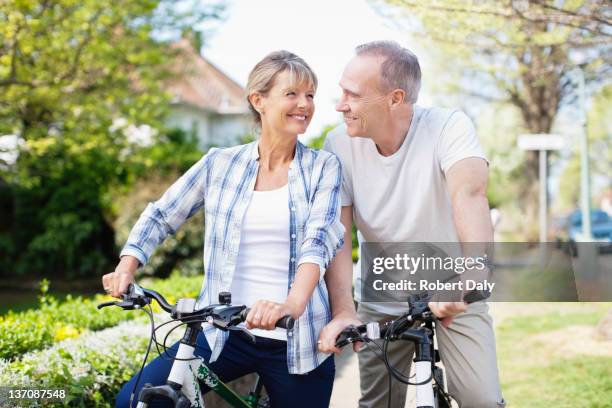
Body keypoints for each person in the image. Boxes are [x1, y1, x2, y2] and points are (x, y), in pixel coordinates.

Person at [102, 50, 345, 408]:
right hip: (222, 332)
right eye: (292, 94)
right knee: (135, 401)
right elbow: (162, 214)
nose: (305, 104)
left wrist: (289, 306)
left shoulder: (323, 167)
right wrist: (127, 265)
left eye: (310, 95)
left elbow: (318, 242)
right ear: (258, 100)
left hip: (298, 337)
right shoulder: (219, 164)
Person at [317, 41, 506, 407]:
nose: (340, 104)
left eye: (352, 95)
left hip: (454, 288)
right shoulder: (338, 144)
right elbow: (337, 236)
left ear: (394, 98)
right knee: (378, 402)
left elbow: (470, 196)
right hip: (382, 295)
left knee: (481, 399)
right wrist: (344, 308)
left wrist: (473, 273)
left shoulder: (448, 127)